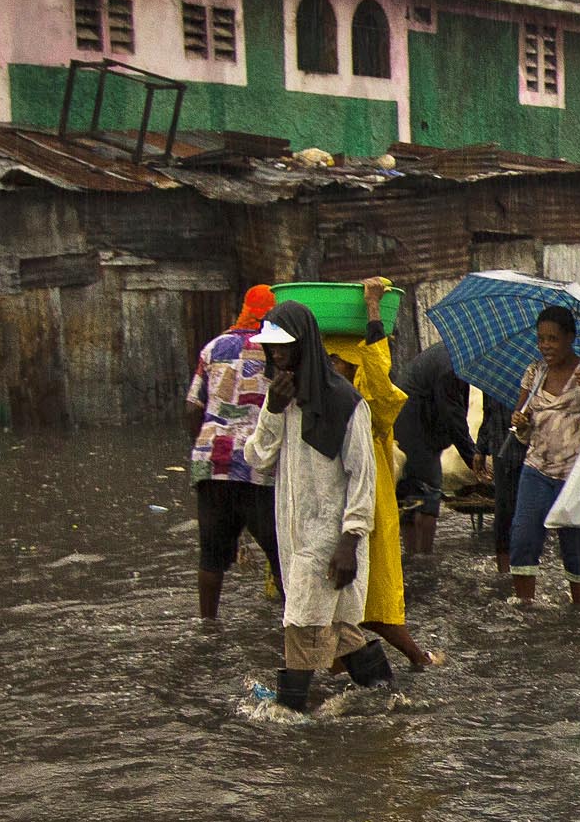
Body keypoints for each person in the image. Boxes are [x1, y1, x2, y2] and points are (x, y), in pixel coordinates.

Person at [245, 304, 390, 710]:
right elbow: (257, 459)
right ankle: (388, 699)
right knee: (342, 631)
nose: (276, 355)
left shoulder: (346, 402)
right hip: (294, 532)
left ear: (304, 343)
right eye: (270, 347)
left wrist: (350, 540)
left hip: (330, 537)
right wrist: (272, 412)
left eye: (283, 346)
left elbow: (364, 474)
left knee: (302, 626)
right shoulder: (283, 398)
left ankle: (289, 720)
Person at [320, 280, 437, 671]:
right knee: (333, 599)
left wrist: (373, 311)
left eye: (337, 361)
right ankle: (340, 671)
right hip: (328, 505)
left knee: (369, 596)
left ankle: (414, 658)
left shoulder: (369, 404)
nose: (329, 369)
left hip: (365, 504)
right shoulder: (316, 399)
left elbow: (379, 376)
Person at [507, 303, 580, 605]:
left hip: (576, 475)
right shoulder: (534, 372)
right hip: (536, 469)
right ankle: (525, 609)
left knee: (576, 548)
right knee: (523, 538)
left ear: (570, 338)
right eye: (541, 339)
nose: (546, 346)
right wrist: (519, 420)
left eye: (553, 339)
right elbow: (521, 421)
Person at [186, 284, 282, 622]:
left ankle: (207, 625)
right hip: (259, 464)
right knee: (280, 552)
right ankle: (297, 629)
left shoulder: (213, 347)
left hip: (213, 462)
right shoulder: (278, 349)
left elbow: (194, 406)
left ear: (244, 308)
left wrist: (204, 445)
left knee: (212, 554)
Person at [393, 332, 479, 554]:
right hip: (415, 427)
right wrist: (473, 459)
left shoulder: (449, 354)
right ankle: (424, 556)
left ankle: (412, 555)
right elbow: (454, 416)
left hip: (407, 422)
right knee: (429, 489)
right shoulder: (450, 367)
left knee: (409, 491)